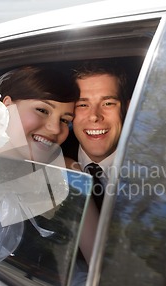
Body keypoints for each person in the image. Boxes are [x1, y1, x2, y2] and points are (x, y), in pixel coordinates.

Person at [63, 60, 130, 211]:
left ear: (128, 108)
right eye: (83, 105)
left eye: (108, 103)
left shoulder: (156, 167)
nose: (94, 116)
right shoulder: (52, 162)